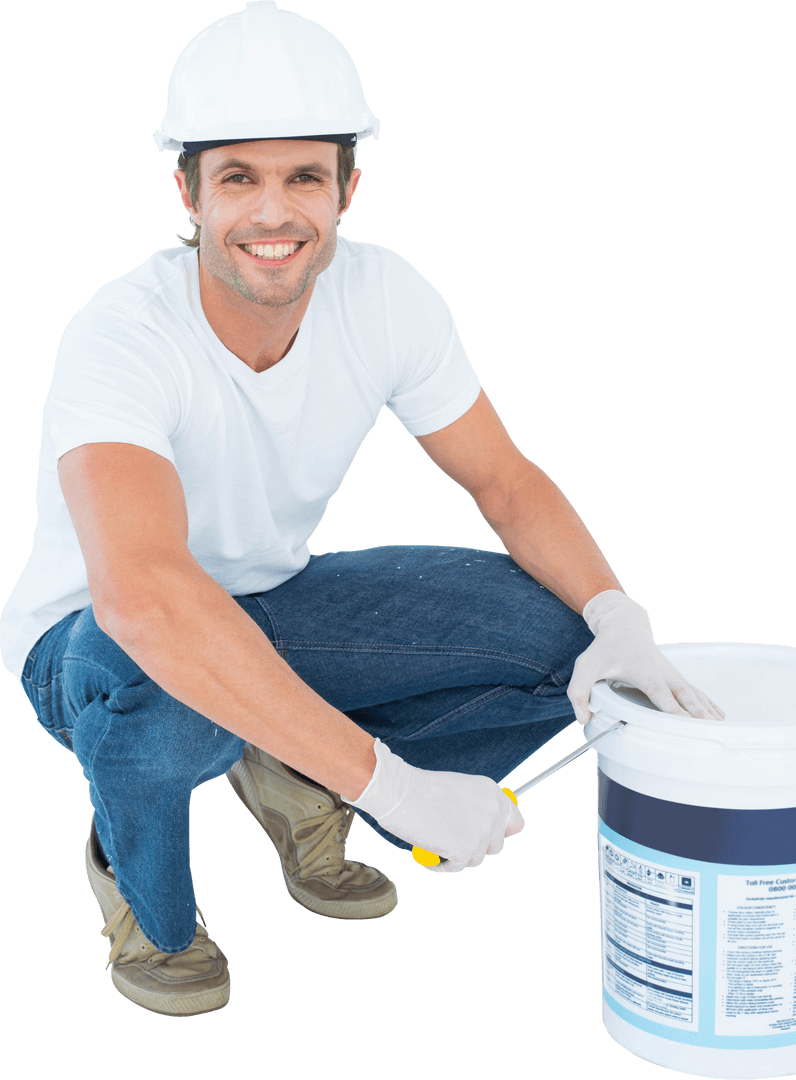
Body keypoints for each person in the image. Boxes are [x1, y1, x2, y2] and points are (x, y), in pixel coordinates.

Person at [0, 0, 723, 1018]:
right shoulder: (120, 334)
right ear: (189, 193)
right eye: (238, 177)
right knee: (164, 697)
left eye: (304, 175)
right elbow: (145, 599)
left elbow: (504, 481)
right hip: (93, 643)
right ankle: (144, 889)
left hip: (271, 604)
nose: (272, 212)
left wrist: (618, 615)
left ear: (347, 187)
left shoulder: (386, 298)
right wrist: (394, 781)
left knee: (560, 642)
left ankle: (303, 766)